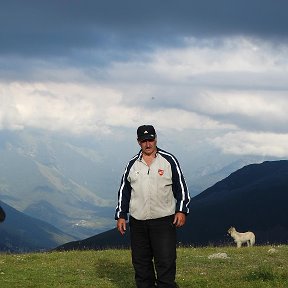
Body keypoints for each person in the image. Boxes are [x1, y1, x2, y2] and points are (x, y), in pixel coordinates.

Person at [115, 125, 190, 288]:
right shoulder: (132, 165)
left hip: (164, 221)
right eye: (144, 141)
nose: (148, 144)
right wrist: (121, 215)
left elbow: (181, 187)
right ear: (138, 142)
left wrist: (181, 210)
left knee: (165, 260)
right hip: (138, 222)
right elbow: (124, 190)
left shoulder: (169, 160)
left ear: (156, 139)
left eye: (150, 139)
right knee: (141, 264)